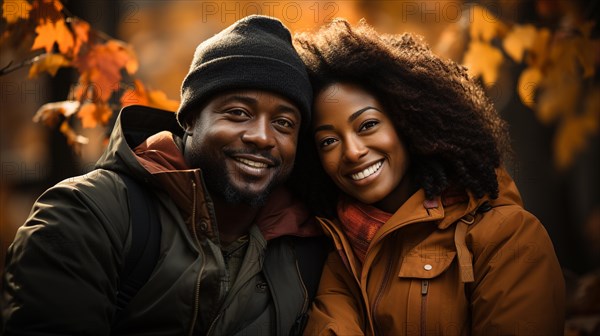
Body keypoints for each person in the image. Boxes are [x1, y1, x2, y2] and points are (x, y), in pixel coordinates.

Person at [1, 15, 328, 335]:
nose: (262, 136)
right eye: (238, 113)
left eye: (283, 123)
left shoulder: (311, 244)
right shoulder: (86, 214)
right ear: (189, 119)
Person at [293, 19, 566, 335]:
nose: (352, 152)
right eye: (328, 141)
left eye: (367, 125)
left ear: (408, 121)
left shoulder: (509, 237)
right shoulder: (340, 253)